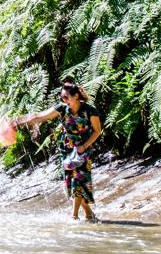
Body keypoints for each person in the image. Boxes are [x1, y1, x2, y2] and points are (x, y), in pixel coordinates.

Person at [11, 81, 102, 222]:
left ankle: (74, 216)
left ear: (76, 96)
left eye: (66, 97)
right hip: (67, 150)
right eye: (62, 98)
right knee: (74, 183)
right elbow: (38, 116)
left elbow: (97, 131)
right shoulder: (62, 108)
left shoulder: (90, 111)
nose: (64, 101)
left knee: (78, 181)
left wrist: (84, 146)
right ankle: (90, 215)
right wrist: (17, 121)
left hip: (83, 151)